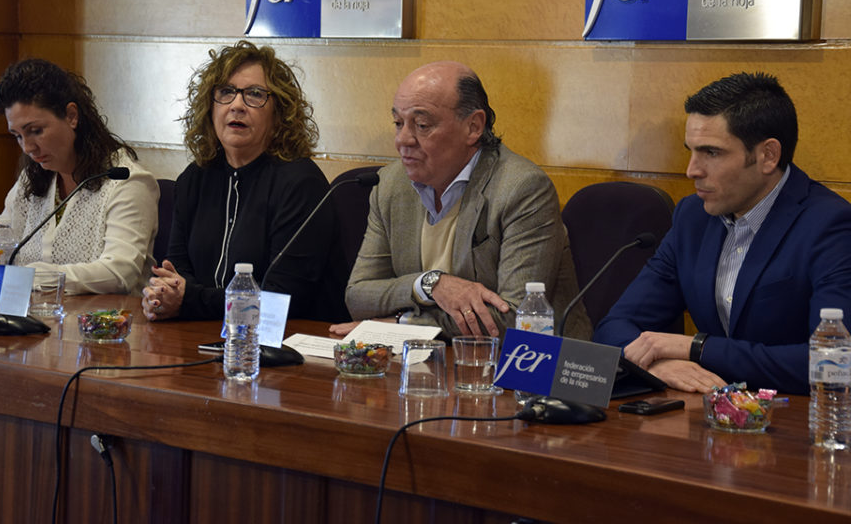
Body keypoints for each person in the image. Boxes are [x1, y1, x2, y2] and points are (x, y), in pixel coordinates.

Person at [593, 72, 851, 395]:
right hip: (713, 413)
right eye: (691, 151)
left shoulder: (831, 225)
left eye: (711, 153)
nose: (692, 170)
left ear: (768, 156)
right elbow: (613, 328)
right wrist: (655, 364)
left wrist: (699, 348)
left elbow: (832, 363)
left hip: (796, 417)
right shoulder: (693, 217)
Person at [340, 61, 591, 340]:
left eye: (422, 125)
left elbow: (516, 318)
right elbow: (358, 296)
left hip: (531, 361)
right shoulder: (390, 185)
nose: (403, 140)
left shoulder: (522, 188)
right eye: (398, 123)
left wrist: (404, 322)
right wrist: (430, 285)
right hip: (427, 359)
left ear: (473, 127)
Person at [142, 40, 346, 322]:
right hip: (202, 332)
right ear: (209, 106)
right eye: (226, 92)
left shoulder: (301, 184)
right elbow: (176, 272)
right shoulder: (194, 178)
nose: (237, 105)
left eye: (255, 94)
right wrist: (165, 296)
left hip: (284, 339)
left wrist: (188, 300)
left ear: (279, 113)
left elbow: (281, 299)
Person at [0, 58, 159, 294]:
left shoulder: (127, 182)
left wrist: (26, 275)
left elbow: (118, 273)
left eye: (36, 131)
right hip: (36, 313)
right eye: (17, 136)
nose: (27, 148)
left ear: (71, 116)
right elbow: (3, 238)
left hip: (104, 317)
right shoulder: (34, 177)